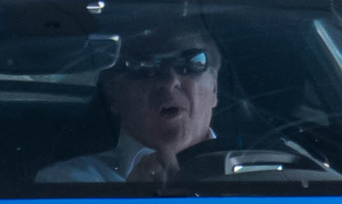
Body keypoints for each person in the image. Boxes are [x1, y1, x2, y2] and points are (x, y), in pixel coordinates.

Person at [36, 26, 222, 183]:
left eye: (192, 63)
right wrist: (132, 200)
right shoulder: (69, 182)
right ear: (113, 95)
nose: (169, 81)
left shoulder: (249, 176)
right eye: (144, 66)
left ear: (214, 86)